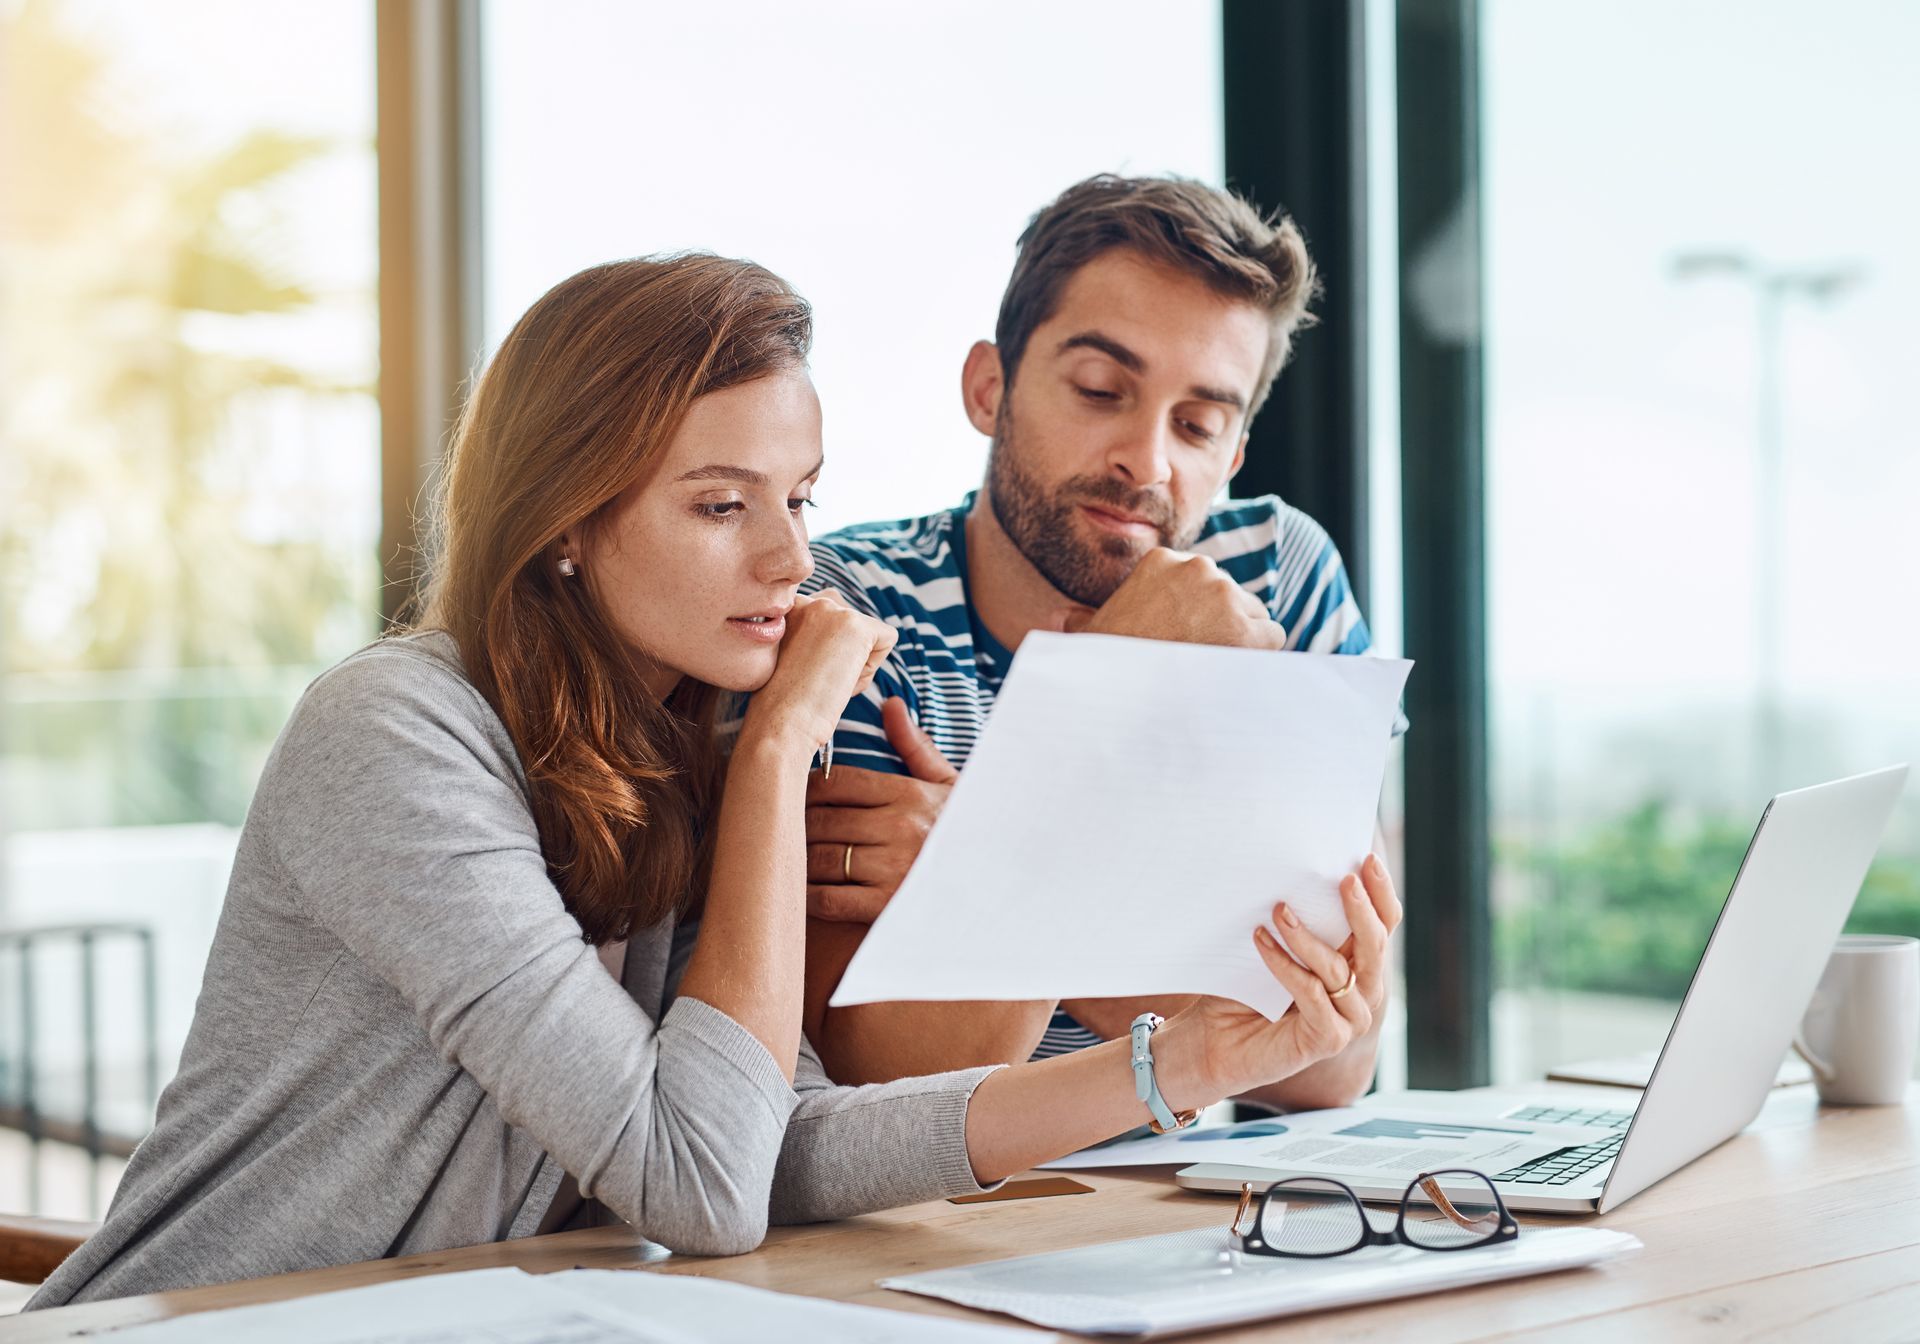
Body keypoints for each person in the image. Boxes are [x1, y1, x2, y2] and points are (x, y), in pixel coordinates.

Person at [28, 253, 1399, 1309]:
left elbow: (778, 1144)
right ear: (569, 520)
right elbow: (693, 1185)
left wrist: (1180, 1067)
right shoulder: (396, 736)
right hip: (193, 1322)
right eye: (719, 504)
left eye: (799, 500)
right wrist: (781, 757)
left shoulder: (676, 744)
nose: (792, 564)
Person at [799, 175, 1405, 1108]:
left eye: (1199, 424)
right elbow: (887, 1080)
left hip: (1215, 1206)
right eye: (1099, 389)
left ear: (1235, 452)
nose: (1148, 461)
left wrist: (975, 853)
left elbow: (1329, 1058)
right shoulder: (852, 610)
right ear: (988, 388)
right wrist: (1106, 688)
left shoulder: (1278, 576)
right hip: (955, 1220)